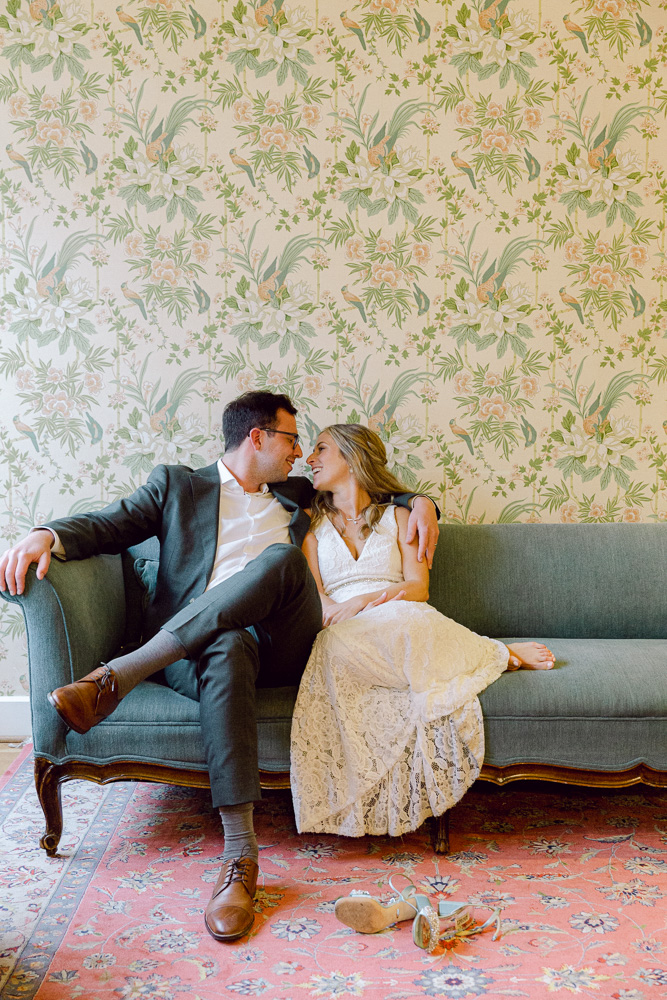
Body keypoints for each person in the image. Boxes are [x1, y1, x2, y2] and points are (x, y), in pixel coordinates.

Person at [0, 392, 439, 943]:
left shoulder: (296, 494)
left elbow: (371, 484)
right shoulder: (177, 485)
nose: (301, 454)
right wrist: (47, 533)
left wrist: (422, 500)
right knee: (226, 645)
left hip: (283, 644)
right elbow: (109, 525)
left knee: (279, 559)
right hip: (201, 655)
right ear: (257, 437)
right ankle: (240, 861)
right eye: (291, 439)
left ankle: (120, 675)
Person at [290, 424, 554, 838]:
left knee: (408, 618)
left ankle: (492, 653)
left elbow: (418, 587)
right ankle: (488, 656)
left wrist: (367, 600)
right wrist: (343, 610)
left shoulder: (399, 515)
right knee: (334, 648)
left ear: (352, 456)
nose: (310, 458)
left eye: (322, 448)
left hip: (398, 613)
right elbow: (319, 597)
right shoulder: (310, 524)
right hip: (342, 627)